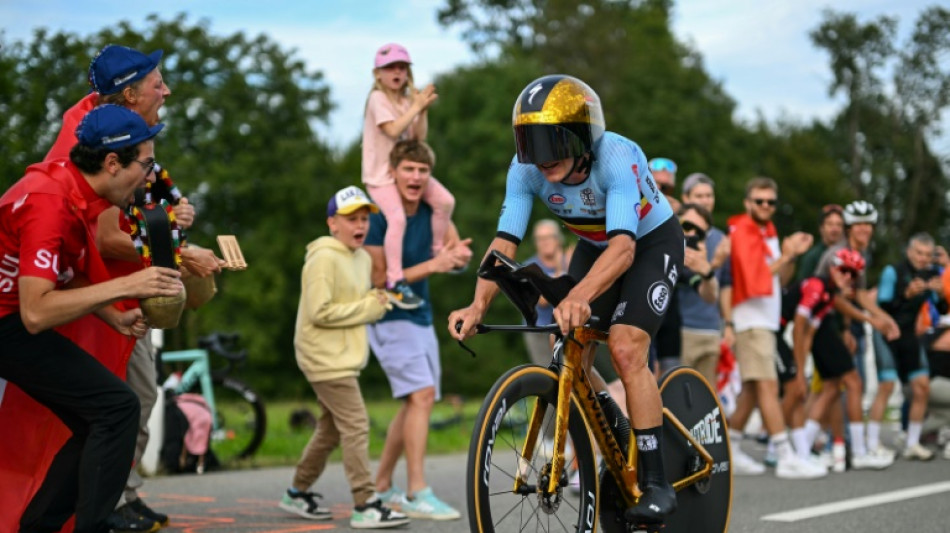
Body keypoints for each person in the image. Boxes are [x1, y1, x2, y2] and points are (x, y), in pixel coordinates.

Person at [449, 75, 683, 526]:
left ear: (582, 136)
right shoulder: (525, 171)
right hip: (596, 245)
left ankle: (656, 481)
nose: (540, 156)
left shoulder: (615, 156)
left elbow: (625, 249)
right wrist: (476, 306)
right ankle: (614, 420)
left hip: (649, 244)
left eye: (551, 140)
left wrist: (577, 294)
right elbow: (504, 242)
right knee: (568, 345)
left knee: (626, 346)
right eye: (529, 141)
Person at [44, 44, 223, 530]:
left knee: (137, 399)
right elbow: (104, 237)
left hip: (121, 290)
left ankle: (122, 495)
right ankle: (98, 508)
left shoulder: (128, 132)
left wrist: (173, 217)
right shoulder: (98, 140)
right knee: (119, 406)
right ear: (128, 93)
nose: (166, 90)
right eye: (156, 82)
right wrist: (183, 253)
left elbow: (142, 210)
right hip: (92, 297)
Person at [0, 104, 182, 533]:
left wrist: (113, 317)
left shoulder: (77, 189)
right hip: (11, 321)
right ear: (113, 162)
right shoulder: (50, 203)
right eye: (147, 163)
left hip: (11, 319)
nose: (151, 176)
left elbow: (68, 271)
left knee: (99, 415)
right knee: (117, 407)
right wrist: (125, 288)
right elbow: (36, 311)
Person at [278, 185, 410, 528]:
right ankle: (365, 503)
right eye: (351, 218)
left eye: (364, 218)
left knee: (331, 430)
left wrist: (376, 301)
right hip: (323, 358)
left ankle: (296, 492)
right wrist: (369, 307)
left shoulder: (362, 257)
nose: (360, 225)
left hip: (343, 358)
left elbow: (356, 302)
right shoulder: (323, 257)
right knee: (356, 425)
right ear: (332, 223)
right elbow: (320, 311)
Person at [366, 140, 472, 521]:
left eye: (422, 171)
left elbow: (453, 251)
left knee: (415, 400)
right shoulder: (377, 214)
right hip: (387, 315)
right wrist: (435, 265)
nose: (415, 177)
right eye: (408, 169)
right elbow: (379, 279)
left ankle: (381, 486)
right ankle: (416, 490)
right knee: (423, 396)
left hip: (421, 314)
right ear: (392, 172)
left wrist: (458, 259)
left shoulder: (433, 208)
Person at [720, 177, 826, 479]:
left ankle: (733, 449)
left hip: (764, 322)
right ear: (747, 203)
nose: (765, 206)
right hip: (751, 322)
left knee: (753, 390)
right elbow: (755, 279)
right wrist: (788, 255)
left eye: (770, 202)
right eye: (759, 201)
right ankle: (784, 455)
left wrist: (790, 255)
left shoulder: (768, 231)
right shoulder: (742, 230)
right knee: (767, 385)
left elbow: (782, 277)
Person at [361, 42, 455, 310]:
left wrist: (421, 109)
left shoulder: (404, 100)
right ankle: (395, 281)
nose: (397, 73)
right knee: (398, 219)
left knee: (445, 201)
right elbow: (392, 130)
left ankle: (436, 251)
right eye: (390, 68)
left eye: (402, 68)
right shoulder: (378, 99)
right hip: (381, 176)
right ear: (377, 74)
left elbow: (419, 137)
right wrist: (416, 107)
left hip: (402, 171)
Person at [814, 201, 900, 461]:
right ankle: (843, 447)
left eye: (868, 224)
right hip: (826, 324)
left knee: (837, 387)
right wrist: (864, 323)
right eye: (858, 224)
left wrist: (886, 319)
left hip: (838, 324)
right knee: (848, 384)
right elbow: (837, 300)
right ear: (849, 228)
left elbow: (858, 295)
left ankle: (839, 446)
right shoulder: (840, 255)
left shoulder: (858, 254)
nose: (864, 229)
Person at [876, 233, 945, 461]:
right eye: (919, 253)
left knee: (922, 387)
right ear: (909, 251)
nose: (923, 259)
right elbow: (883, 306)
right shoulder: (893, 271)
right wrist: (907, 294)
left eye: (927, 254)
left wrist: (939, 292)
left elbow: (942, 309)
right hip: (886, 331)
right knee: (887, 385)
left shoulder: (932, 274)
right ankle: (870, 443)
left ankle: (912, 443)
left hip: (909, 335)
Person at [676, 202, 721, 386]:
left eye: (699, 233)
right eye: (687, 227)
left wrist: (706, 272)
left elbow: (709, 296)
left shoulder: (689, 267)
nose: (692, 235)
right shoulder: (656, 246)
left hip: (689, 333)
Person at [522, 219, 569, 365]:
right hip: (538, 330)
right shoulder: (530, 267)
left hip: (566, 327)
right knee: (547, 373)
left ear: (558, 239)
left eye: (548, 237)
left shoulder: (571, 262)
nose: (544, 242)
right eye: (540, 239)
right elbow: (541, 301)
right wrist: (560, 271)